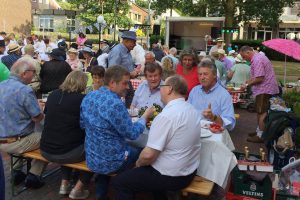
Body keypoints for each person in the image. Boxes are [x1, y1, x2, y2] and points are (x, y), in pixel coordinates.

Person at [112, 75, 202, 200]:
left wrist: (138, 164)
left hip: (171, 175)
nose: (160, 90)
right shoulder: (192, 109)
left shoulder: (167, 115)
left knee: (120, 182)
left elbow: (148, 155)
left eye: (162, 87)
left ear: (169, 89)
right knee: (143, 166)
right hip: (189, 171)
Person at [80, 65, 154, 200]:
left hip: (92, 158)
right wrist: (144, 118)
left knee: (110, 153)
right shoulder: (115, 103)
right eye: (125, 83)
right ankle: (128, 188)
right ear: (112, 83)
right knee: (141, 151)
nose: (128, 87)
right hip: (112, 162)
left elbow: (82, 124)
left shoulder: (89, 97)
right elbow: (132, 134)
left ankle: (100, 195)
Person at [40, 71, 93, 199]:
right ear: (82, 84)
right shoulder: (83, 99)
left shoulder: (53, 95)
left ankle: (64, 184)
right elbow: (90, 124)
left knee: (65, 141)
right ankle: (77, 189)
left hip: (46, 149)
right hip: (68, 152)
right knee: (98, 152)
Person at [0, 57, 47, 188]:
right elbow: (37, 117)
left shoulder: (1, 85)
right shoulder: (24, 90)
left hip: (2, 139)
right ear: (24, 73)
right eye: (33, 72)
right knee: (49, 139)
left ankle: (16, 171)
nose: (35, 75)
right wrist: (40, 109)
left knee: (18, 131)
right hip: (17, 141)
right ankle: (34, 174)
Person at [240, 46, 279, 143]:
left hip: (264, 89)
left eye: (244, 56)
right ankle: (259, 131)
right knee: (260, 111)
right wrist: (248, 81)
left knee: (262, 112)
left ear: (248, 52)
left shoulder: (257, 59)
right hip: (265, 88)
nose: (244, 59)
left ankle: (261, 135)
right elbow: (257, 76)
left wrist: (247, 84)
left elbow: (260, 78)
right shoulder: (258, 57)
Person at [188, 59, 235, 130]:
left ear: (214, 75)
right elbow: (187, 112)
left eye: (205, 74)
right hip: (194, 132)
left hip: (214, 135)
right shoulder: (194, 90)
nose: (202, 77)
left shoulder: (224, 94)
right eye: (200, 74)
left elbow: (230, 124)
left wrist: (214, 117)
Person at [108, 31, 141, 108]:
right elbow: (112, 71)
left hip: (125, 82)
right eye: (133, 42)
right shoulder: (117, 51)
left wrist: (133, 73)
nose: (135, 45)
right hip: (118, 84)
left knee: (130, 101)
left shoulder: (126, 51)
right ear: (126, 41)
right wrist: (130, 74)